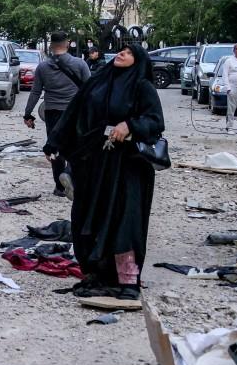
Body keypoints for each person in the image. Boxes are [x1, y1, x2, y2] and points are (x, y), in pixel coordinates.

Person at [44, 44, 164, 301]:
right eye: (121, 50)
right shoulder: (98, 81)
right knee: (88, 217)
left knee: (125, 222)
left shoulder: (142, 87)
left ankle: (128, 281)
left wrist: (130, 125)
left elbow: (155, 121)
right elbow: (74, 111)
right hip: (94, 163)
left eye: (129, 53)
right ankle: (97, 273)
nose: (122, 54)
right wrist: (54, 142)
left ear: (138, 61)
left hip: (128, 167)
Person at [23, 32, 91, 196]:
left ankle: (59, 187)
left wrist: (27, 114)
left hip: (52, 112)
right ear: (67, 44)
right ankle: (69, 174)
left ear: (52, 46)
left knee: (55, 147)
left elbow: (35, 92)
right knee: (76, 146)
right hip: (74, 112)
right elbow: (90, 89)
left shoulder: (43, 67)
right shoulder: (80, 64)